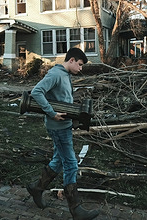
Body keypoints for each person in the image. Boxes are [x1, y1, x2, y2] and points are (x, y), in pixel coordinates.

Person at [26, 47, 99, 220]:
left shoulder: (65, 75)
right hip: (57, 128)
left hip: (64, 126)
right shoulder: (56, 74)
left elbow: (64, 101)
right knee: (71, 164)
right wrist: (51, 113)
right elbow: (36, 92)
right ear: (71, 60)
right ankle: (76, 209)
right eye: (80, 65)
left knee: (58, 161)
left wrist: (74, 119)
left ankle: (37, 189)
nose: (80, 69)